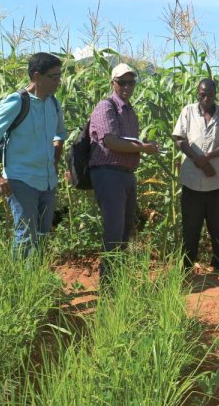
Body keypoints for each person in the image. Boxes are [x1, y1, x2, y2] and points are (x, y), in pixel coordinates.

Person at [0, 52, 66, 256]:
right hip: (21, 180)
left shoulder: (53, 103)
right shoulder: (17, 102)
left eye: (59, 77)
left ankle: (37, 281)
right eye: (53, 77)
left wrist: (54, 159)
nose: (58, 82)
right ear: (37, 77)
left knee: (43, 235)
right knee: (26, 236)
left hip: (48, 181)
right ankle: (17, 284)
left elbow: (60, 134)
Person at [88, 63, 160, 279]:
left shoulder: (129, 111)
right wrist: (143, 148)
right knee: (114, 229)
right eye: (122, 82)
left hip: (126, 175)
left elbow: (127, 142)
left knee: (125, 230)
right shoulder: (106, 106)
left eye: (131, 82)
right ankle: (109, 284)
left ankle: (118, 278)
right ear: (113, 83)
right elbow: (111, 142)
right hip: (109, 174)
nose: (127, 86)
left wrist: (142, 145)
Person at [173, 78, 219, 272]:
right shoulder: (188, 111)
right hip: (192, 179)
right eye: (203, 94)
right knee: (191, 226)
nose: (206, 98)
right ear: (197, 94)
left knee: (217, 225)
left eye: (210, 94)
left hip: (216, 180)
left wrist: (208, 157)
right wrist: (199, 160)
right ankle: (187, 263)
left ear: (215, 94)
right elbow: (180, 139)